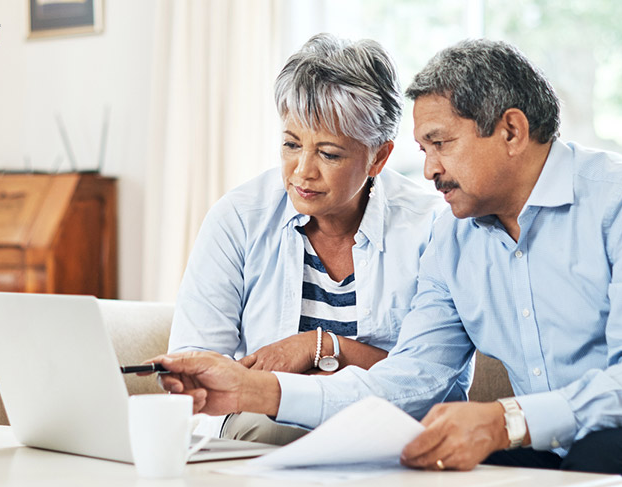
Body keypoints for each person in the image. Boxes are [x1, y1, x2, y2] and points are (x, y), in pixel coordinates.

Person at [150, 39, 622, 487]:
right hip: (559, 440)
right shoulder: (450, 239)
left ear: (510, 130)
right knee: (455, 479)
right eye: (423, 149)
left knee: (598, 464)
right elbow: (410, 383)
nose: (426, 171)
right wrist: (260, 391)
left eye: (441, 144)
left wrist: (507, 420)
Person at [166, 33, 461, 446]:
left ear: (378, 156)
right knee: (266, 428)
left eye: (329, 154)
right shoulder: (238, 217)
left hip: (387, 433)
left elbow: (430, 380)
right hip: (262, 433)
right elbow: (195, 363)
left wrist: (319, 346)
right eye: (290, 144)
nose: (302, 171)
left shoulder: (431, 227)